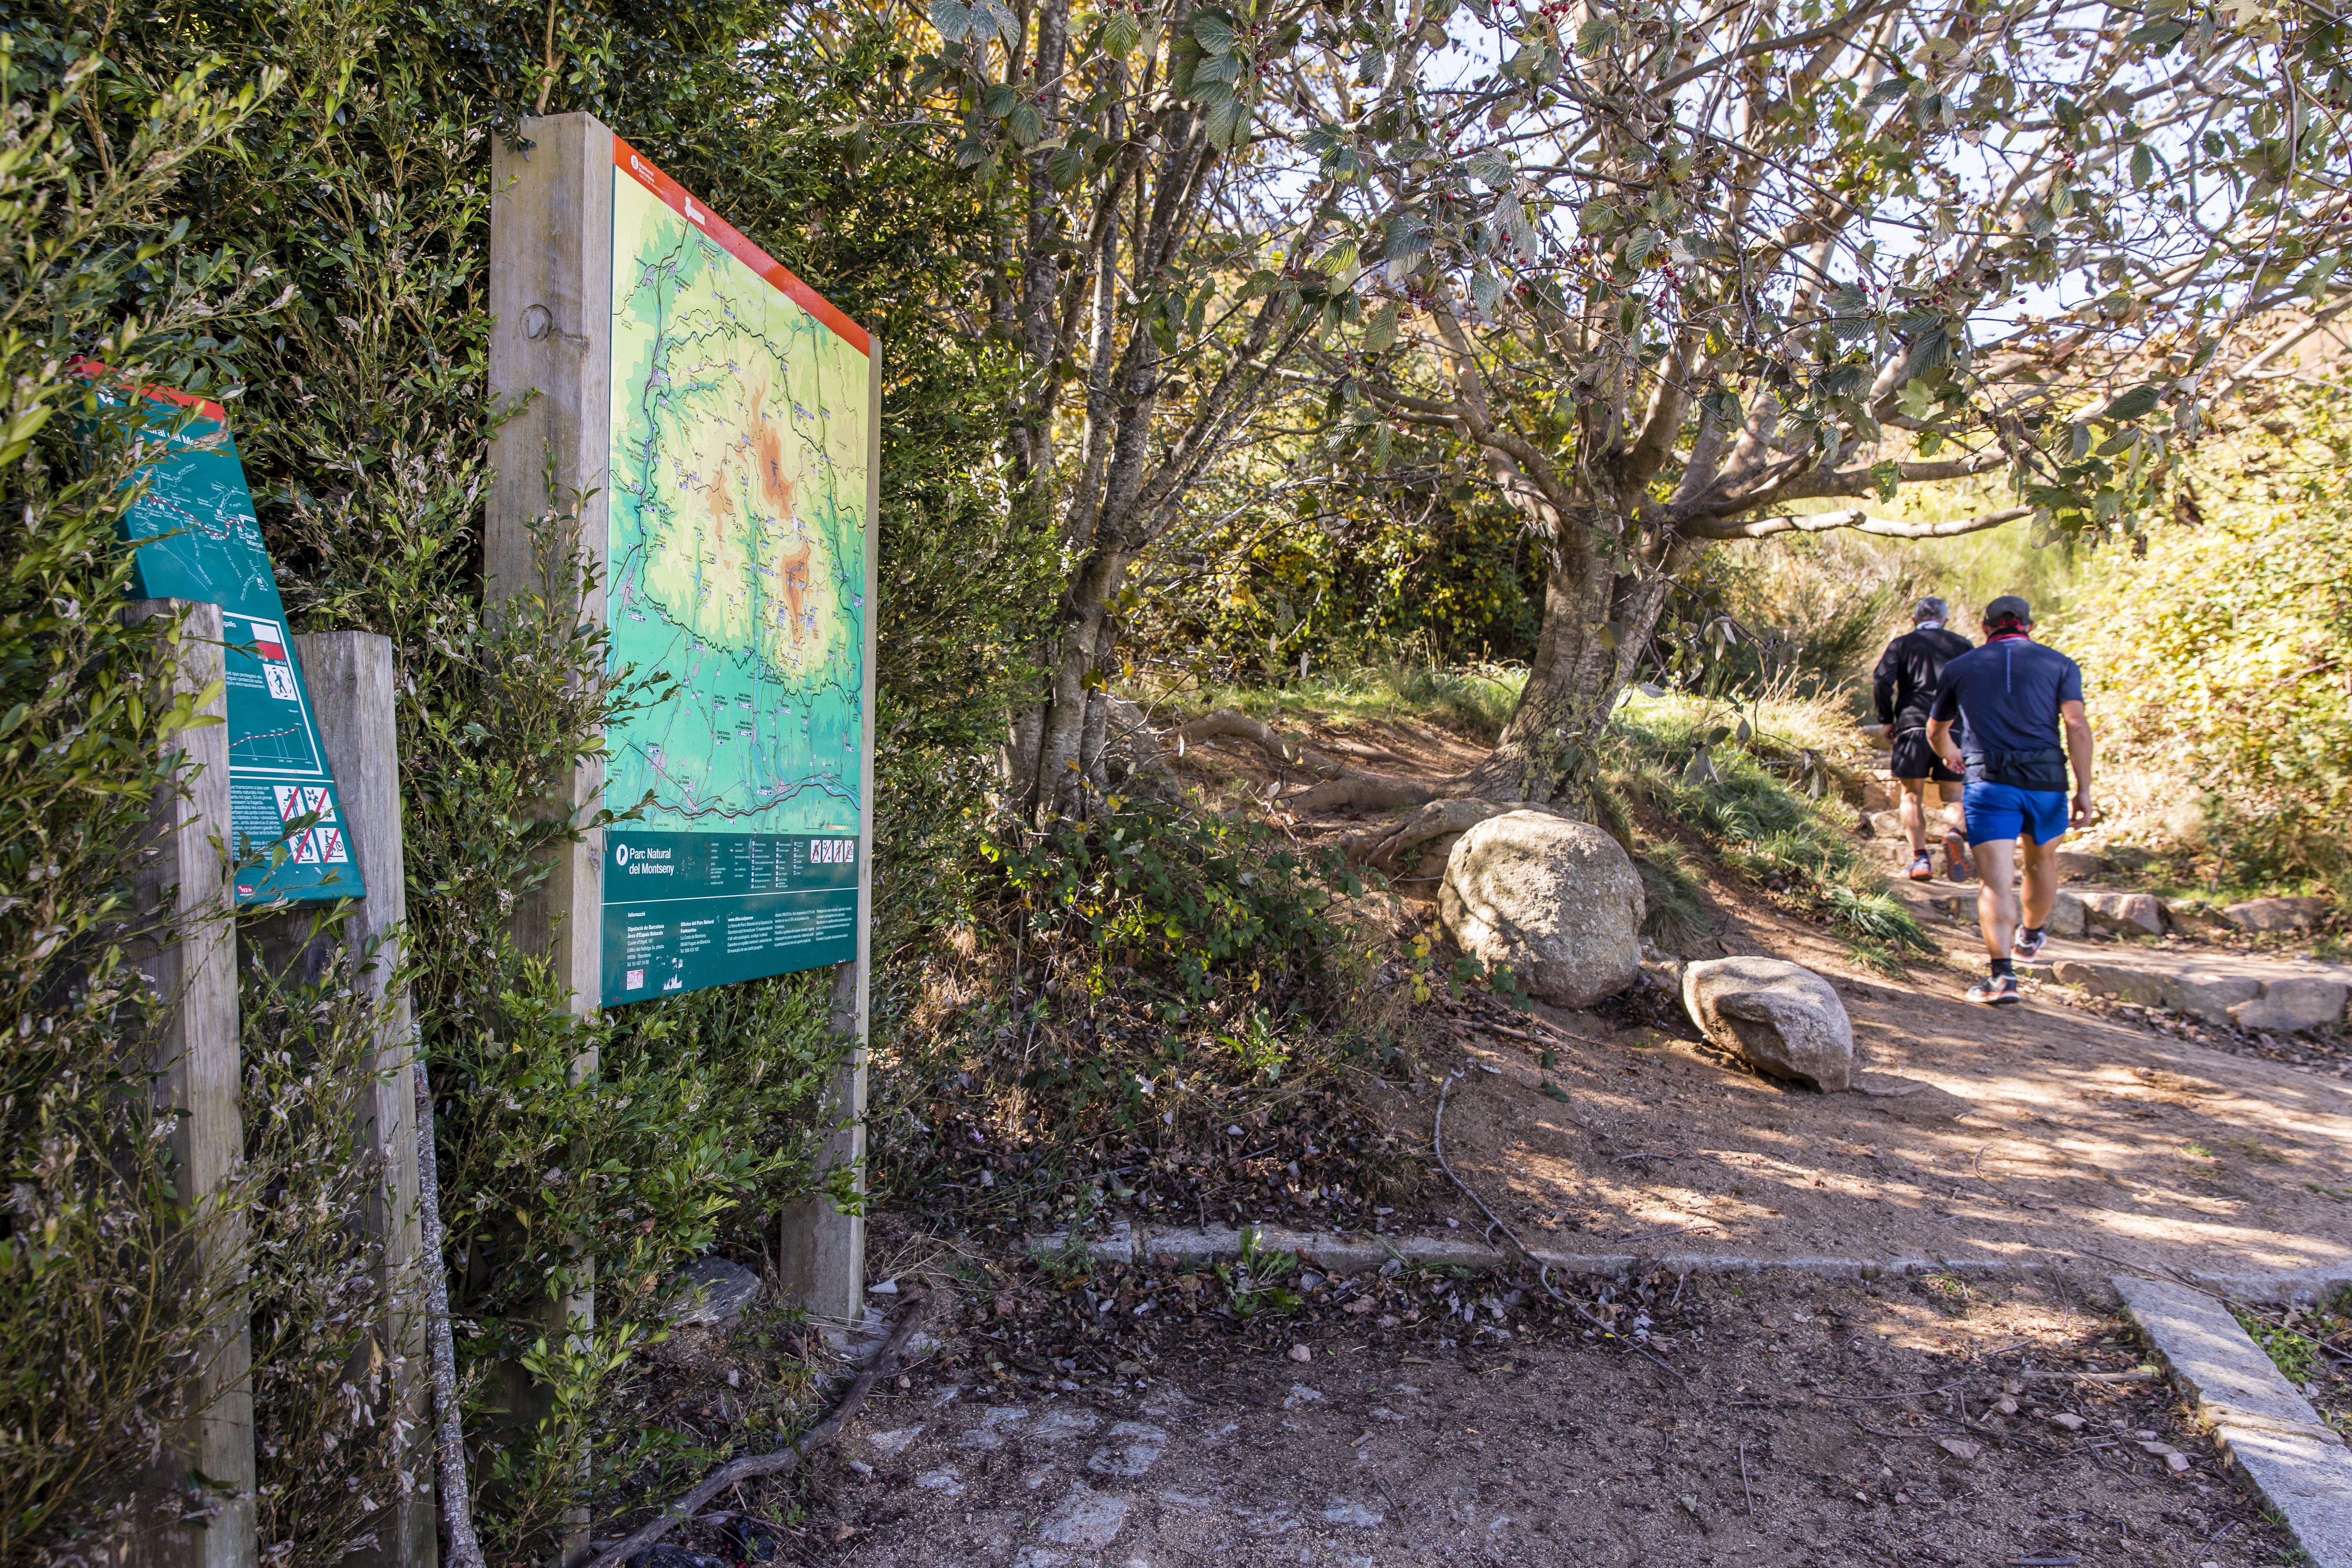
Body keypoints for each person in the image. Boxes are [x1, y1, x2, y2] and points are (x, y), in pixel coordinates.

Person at [1925, 595, 2096, 1006]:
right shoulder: (2060, 664)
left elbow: (1935, 730)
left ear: (1985, 627)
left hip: (1989, 782)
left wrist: (1951, 753)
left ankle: (2002, 978)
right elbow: (2076, 725)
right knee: (2041, 861)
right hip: (2046, 780)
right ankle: (2032, 935)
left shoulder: (1961, 667)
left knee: (1996, 882)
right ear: (2030, 626)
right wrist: (2084, 789)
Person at [1872, 596, 1974, 882]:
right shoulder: (1962, 645)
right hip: (1952, 729)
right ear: (1945, 621)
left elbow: (1881, 680)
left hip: (1913, 725)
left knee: (1911, 795)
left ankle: (1920, 861)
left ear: (1914, 620)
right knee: (1954, 796)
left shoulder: (1901, 644)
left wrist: (1887, 719)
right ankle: (1954, 833)